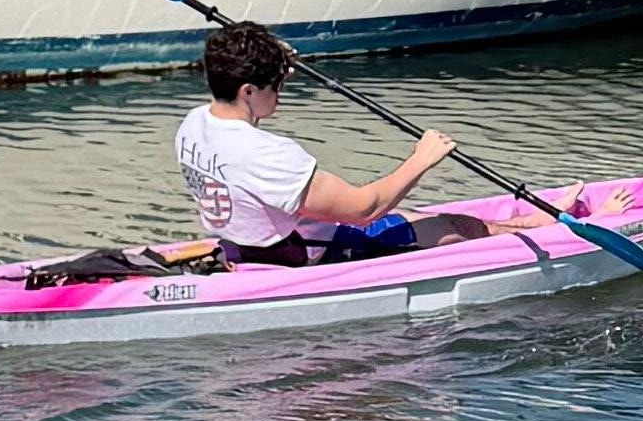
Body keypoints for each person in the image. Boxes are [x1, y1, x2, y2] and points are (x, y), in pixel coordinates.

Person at [170, 21, 454, 261]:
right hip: (303, 253)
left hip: (239, 243)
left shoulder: (193, 124)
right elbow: (363, 210)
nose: (280, 92)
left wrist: (269, 58)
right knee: (453, 226)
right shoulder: (269, 154)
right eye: (277, 85)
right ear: (247, 91)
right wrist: (422, 159)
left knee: (410, 214)